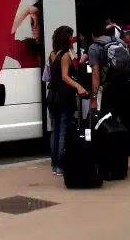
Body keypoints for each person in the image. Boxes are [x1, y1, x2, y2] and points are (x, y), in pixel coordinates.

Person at [89, 22, 130, 171]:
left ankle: (112, 157)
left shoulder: (94, 47)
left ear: (93, 34)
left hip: (111, 89)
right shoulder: (119, 42)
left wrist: (94, 97)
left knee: (109, 122)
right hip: (128, 86)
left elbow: (95, 73)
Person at [48, 26, 87, 176]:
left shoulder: (53, 54)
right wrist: (78, 86)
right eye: (71, 37)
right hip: (64, 96)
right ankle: (60, 165)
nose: (73, 39)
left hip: (53, 96)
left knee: (55, 130)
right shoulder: (65, 56)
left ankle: (54, 164)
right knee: (64, 130)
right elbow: (65, 76)